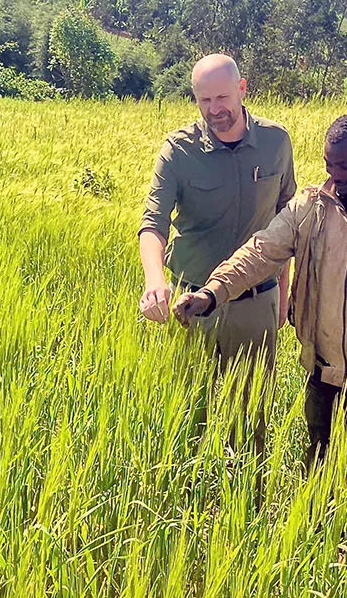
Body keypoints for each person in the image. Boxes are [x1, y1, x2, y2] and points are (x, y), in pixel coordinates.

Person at [174, 114, 347, 467]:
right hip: (323, 374)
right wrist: (212, 293)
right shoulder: (309, 208)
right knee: (318, 476)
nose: (336, 175)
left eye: (346, 165)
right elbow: (260, 252)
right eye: (329, 164)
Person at [138, 53, 296, 438]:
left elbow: (287, 222)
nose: (214, 109)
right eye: (204, 100)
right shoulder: (179, 151)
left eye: (222, 98)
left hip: (256, 302)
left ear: (242, 89)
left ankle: (248, 497)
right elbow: (152, 223)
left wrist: (285, 294)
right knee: (189, 418)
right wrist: (154, 280)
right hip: (190, 306)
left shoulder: (275, 142)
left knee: (251, 420)